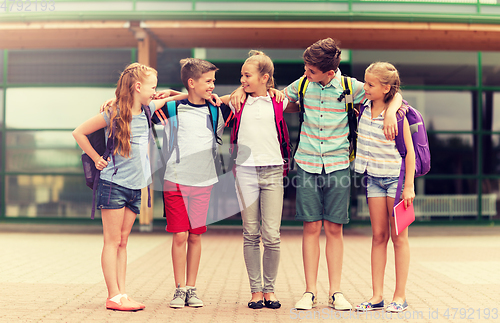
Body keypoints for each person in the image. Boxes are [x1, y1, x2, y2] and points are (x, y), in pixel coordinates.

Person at [281, 38, 403, 311]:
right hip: (307, 163)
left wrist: (392, 113)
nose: (305, 73)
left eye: (311, 70)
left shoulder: (351, 88)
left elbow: (392, 94)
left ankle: (335, 291)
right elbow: (276, 98)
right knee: (311, 227)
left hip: (338, 165)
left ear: (330, 72)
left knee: (334, 228)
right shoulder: (301, 85)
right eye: (306, 68)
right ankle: (309, 291)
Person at [73, 63, 173, 311]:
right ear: (138, 87)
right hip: (113, 184)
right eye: (153, 87)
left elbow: (181, 97)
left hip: (135, 186)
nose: (154, 91)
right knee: (111, 240)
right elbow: (79, 133)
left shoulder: (148, 109)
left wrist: (167, 93)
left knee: (123, 242)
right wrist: (97, 158)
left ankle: (122, 293)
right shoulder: (113, 113)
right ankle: (113, 296)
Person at [150, 58, 230, 309]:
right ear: (192, 83)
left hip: (204, 182)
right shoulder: (171, 109)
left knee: (195, 236)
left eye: (214, 81)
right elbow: (140, 107)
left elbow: (242, 95)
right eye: (208, 81)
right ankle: (179, 289)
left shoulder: (218, 109)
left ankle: (192, 288)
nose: (213, 86)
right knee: (180, 236)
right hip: (175, 180)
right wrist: (112, 103)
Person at [219, 50, 288, 310]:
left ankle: (270, 290)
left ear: (265, 77)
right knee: (250, 233)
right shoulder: (237, 101)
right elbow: (206, 98)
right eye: (241, 76)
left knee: (272, 235)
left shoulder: (279, 101)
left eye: (247, 75)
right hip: (245, 171)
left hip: (273, 171)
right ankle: (255, 291)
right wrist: (170, 95)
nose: (243, 79)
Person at [354, 62, 415, 313]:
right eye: (365, 82)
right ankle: (377, 296)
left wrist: (408, 186)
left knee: (399, 238)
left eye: (370, 84)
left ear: (385, 87)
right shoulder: (362, 106)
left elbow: (409, 154)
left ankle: (399, 296)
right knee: (379, 237)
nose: (365, 87)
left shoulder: (398, 114)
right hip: (374, 180)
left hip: (396, 181)